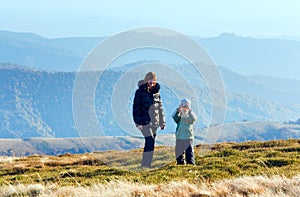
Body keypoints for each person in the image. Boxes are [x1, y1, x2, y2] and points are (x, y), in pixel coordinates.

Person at [133, 72, 166, 168]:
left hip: (155, 123)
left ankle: (147, 164)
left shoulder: (157, 93)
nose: (152, 82)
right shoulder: (140, 92)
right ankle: (145, 165)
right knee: (150, 141)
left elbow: (160, 108)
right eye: (150, 80)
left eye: (153, 80)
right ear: (146, 80)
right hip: (145, 122)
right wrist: (138, 123)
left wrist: (162, 122)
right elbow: (136, 108)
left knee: (151, 143)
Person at [172, 98, 197, 165]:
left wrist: (189, 110)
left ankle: (190, 164)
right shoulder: (179, 115)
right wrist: (178, 110)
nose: (184, 107)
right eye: (182, 105)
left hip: (188, 136)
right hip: (179, 136)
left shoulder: (190, 115)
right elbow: (174, 117)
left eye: (185, 105)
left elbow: (194, 119)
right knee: (179, 152)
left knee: (189, 152)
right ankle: (180, 163)